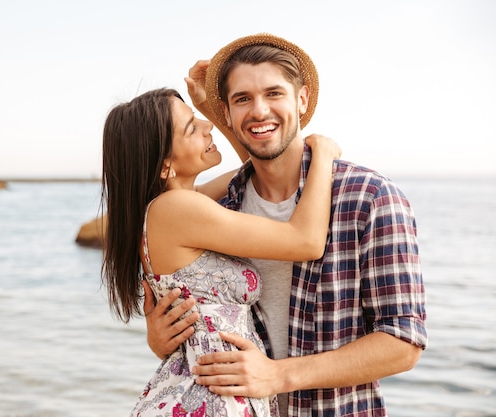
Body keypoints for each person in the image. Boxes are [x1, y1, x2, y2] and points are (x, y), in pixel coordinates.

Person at [143, 33, 428, 416]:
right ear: (225, 113)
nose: (259, 111)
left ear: (303, 99)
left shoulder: (369, 198)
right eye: (242, 99)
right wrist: (163, 339)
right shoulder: (220, 205)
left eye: (274, 93)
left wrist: (279, 376)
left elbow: (402, 343)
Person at [100, 86, 341, 416]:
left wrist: (214, 110)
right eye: (191, 127)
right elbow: (306, 241)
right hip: (212, 397)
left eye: (200, 118)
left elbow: (258, 173)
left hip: (212, 390)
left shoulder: (178, 205)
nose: (207, 126)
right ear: (165, 166)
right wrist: (323, 154)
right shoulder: (177, 209)